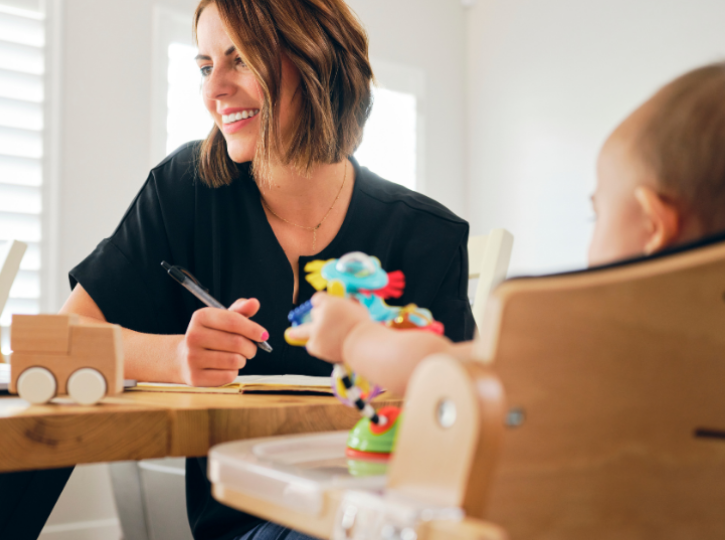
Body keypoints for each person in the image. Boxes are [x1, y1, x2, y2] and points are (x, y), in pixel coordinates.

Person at [60, 0, 475, 538]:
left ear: (316, 59)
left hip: (388, 514)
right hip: (249, 522)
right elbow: (65, 341)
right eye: (207, 67)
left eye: (242, 59)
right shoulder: (183, 190)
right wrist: (176, 357)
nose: (214, 90)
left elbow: (465, 413)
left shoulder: (429, 235)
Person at [288, 61, 725, 397]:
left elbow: (442, 370)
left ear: (652, 227)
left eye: (597, 214)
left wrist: (355, 336)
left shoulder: (597, 335)